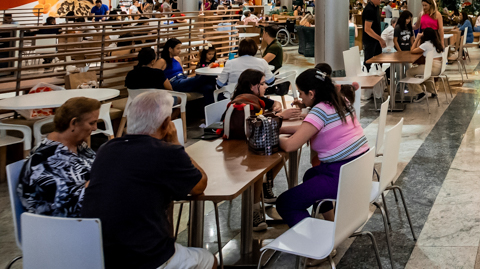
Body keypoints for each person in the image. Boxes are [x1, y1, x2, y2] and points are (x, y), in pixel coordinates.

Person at [82, 90, 214, 269]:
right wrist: (176, 143)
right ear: (167, 123)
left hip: (102, 256)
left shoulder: (107, 149)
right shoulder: (167, 152)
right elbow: (199, 185)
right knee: (209, 259)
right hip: (146, 258)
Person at [275, 70, 369, 227]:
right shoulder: (340, 100)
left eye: (301, 93)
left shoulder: (320, 110)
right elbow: (310, 127)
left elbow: (291, 145)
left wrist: (273, 137)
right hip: (359, 169)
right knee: (311, 175)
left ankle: (316, 243)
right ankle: (331, 225)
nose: (300, 97)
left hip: (341, 175)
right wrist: (280, 130)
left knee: (285, 202)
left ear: (311, 93)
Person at [230, 68, 301, 228]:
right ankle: (255, 209)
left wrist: (276, 107)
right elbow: (256, 128)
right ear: (251, 86)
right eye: (261, 84)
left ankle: (266, 183)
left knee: (285, 151)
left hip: (254, 143)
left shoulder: (255, 99)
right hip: (242, 149)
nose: (265, 87)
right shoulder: (244, 103)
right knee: (262, 165)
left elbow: (272, 104)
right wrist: (280, 116)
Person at [17, 97, 100, 217]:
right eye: (91, 123)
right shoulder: (44, 161)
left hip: (91, 214)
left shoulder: (79, 146)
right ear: (73, 123)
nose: (95, 128)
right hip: (62, 226)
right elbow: (64, 206)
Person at [407, 26, 445, 100]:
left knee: (409, 72)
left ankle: (419, 92)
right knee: (427, 73)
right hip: (438, 68)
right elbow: (418, 48)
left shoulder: (427, 44)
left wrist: (417, 38)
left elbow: (412, 50)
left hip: (432, 68)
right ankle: (433, 91)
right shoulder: (436, 43)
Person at [361, 0, 386, 69]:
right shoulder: (369, 10)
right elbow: (367, 29)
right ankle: (367, 78)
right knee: (368, 62)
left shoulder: (376, 7)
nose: (380, 1)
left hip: (376, 39)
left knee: (379, 61)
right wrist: (380, 39)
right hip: (370, 40)